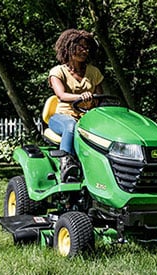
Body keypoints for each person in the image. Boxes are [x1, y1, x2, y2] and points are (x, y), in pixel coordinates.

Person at [48, 29, 104, 182]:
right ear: (68, 47)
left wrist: (94, 101)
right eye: (80, 46)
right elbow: (61, 95)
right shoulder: (57, 72)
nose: (84, 50)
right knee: (71, 127)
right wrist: (81, 97)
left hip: (88, 118)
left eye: (86, 47)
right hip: (62, 117)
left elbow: (100, 98)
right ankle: (66, 164)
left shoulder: (94, 72)